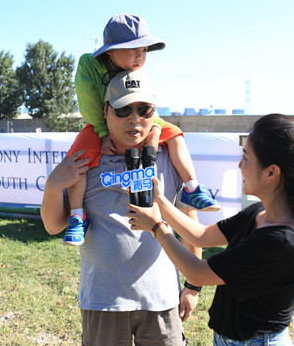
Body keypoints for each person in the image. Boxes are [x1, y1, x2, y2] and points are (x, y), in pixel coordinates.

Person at [127, 113, 294, 346]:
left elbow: (199, 273)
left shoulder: (283, 242)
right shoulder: (259, 214)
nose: (240, 165)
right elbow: (201, 235)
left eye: (246, 158)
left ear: (271, 172)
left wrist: (157, 227)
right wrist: (160, 201)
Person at [41, 69, 203, 346]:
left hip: (162, 301)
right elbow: (53, 225)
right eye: (123, 110)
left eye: (144, 110)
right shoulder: (86, 158)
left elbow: (189, 225)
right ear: (105, 112)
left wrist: (192, 287)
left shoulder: (169, 156)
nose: (134, 119)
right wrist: (52, 186)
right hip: (104, 302)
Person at [63, 13, 220, 246]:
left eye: (144, 50)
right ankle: (77, 216)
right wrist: (103, 132)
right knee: (78, 160)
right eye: (133, 49)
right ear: (111, 51)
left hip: (142, 124)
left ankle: (191, 188)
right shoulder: (89, 64)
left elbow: (147, 104)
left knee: (175, 135)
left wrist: (155, 129)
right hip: (98, 123)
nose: (140, 56)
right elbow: (88, 102)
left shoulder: (136, 72)